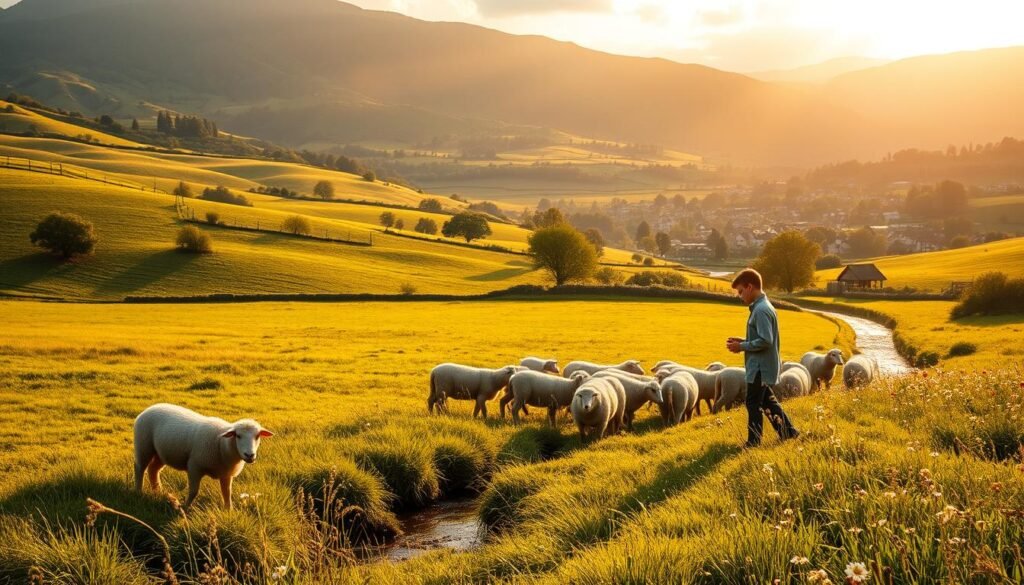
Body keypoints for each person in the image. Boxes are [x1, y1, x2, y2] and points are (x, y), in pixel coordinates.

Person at [725, 268, 799, 447]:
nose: (740, 296)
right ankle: (789, 432)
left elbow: (766, 340)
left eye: (741, 291)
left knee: (752, 403)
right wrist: (743, 341)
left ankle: (754, 442)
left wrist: (742, 346)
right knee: (768, 401)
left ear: (750, 287)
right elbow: (762, 337)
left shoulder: (761, 310)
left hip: (760, 367)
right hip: (763, 365)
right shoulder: (763, 307)